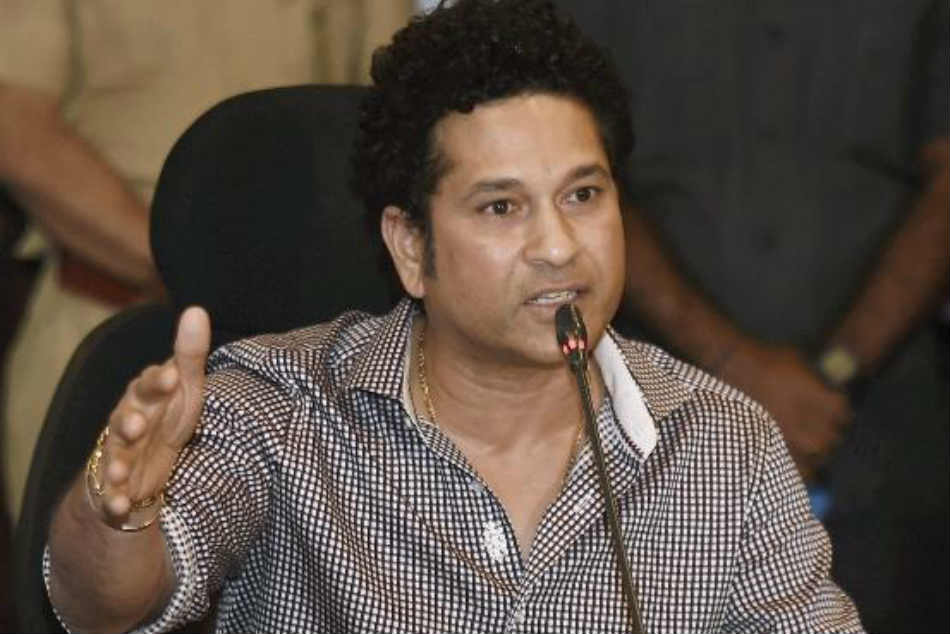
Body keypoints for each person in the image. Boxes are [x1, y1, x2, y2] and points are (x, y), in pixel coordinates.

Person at [44, 2, 863, 632]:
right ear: (410, 246)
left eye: (583, 195)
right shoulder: (281, 409)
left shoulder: (723, 444)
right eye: (502, 207)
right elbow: (104, 606)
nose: (558, 246)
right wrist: (116, 515)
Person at [554, 2, 949, 630]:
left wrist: (834, 372)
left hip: (880, 430)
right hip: (640, 423)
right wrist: (736, 367)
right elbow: (552, 171)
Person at [0, 0, 414, 522]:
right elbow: (14, 122)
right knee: (94, 553)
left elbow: (394, 111)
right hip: (107, 323)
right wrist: (184, 263)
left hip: (307, 352)